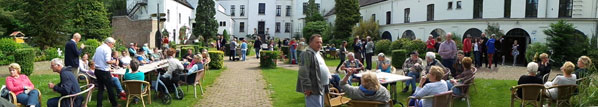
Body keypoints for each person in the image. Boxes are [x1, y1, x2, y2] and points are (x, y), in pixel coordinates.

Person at [296, 34, 330, 107]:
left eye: (321, 42)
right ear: (310, 42)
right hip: (313, 87)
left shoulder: (318, 53)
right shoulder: (306, 53)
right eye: (317, 42)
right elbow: (303, 71)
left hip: (321, 86)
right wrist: (307, 87)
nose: (319, 44)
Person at [92, 37, 120, 107]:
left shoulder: (98, 48)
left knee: (100, 89)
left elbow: (93, 59)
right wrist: (113, 61)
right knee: (110, 88)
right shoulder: (107, 49)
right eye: (113, 44)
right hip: (104, 71)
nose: (113, 46)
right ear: (108, 43)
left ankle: (99, 105)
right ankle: (114, 104)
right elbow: (107, 61)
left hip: (97, 70)